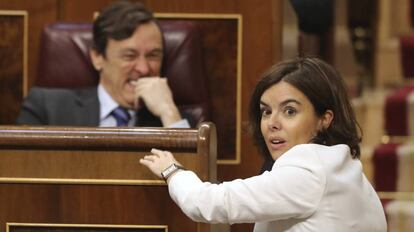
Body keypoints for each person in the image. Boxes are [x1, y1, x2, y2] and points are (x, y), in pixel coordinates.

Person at [140, 57, 387, 231]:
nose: (272, 123)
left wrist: (172, 171)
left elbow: (211, 204)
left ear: (325, 119)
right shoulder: (345, 166)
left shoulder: (307, 170)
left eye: (290, 111)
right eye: (266, 112)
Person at [16, 1, 191, 128]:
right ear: (97, 57)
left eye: (153, 55)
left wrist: (168, 112)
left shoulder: (177, 119)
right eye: (129, 55)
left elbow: (191, 178)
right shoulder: (47, 108)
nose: (144, 68)